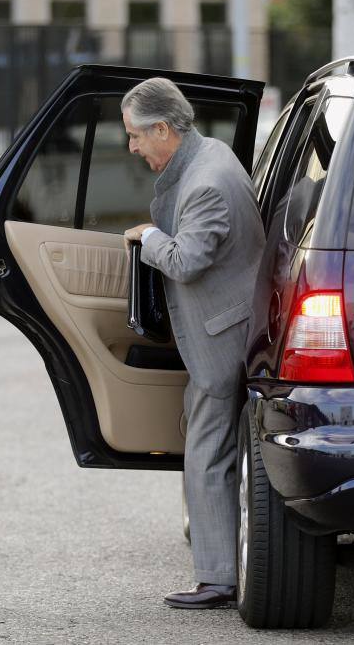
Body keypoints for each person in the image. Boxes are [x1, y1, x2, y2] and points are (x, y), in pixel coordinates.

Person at [121, 77, 265, 609]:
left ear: (162, 128)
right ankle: (222, 562)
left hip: (220, 338)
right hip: (229, 324)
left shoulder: (205, 183)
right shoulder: (213, 154)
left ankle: (218, 579)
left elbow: (186, 261)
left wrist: (148, 237)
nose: (132, 147)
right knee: (212, 447)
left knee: (207, 453)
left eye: (135, 135)